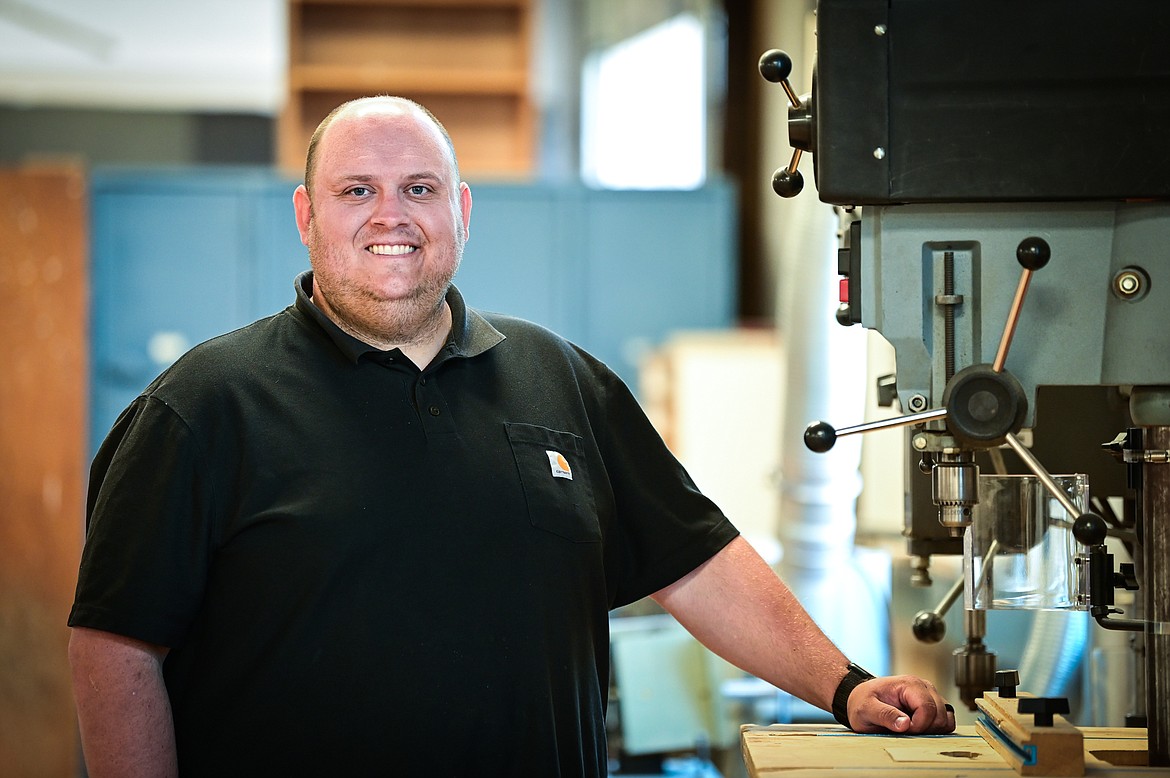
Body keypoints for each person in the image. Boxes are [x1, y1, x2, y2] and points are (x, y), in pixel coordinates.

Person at [68, 95, 954, 777]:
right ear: (306, 215)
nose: (391, 216)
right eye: (356, 191)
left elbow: (696, 560)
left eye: (418, 189)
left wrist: (845, 686)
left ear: (459, 209)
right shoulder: (203, 405)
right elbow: (116, 644)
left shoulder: (560, 378)